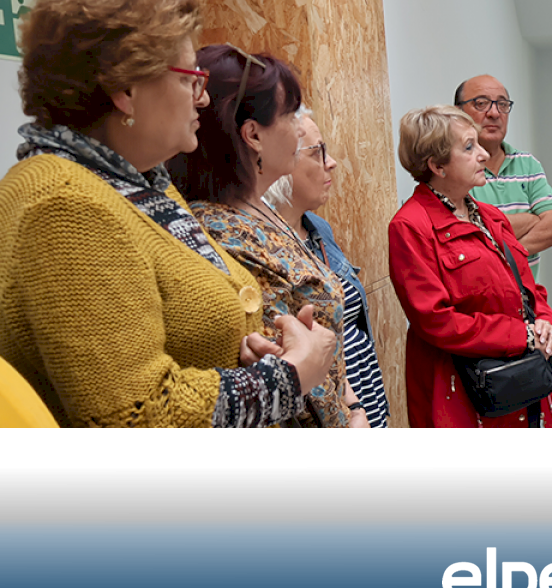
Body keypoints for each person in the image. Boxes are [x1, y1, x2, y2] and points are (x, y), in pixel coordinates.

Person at [0, 0, 335, 427]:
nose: (203, 97)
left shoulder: (140, 183)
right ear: (126, 89)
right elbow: (135, 414)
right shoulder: (65, 205)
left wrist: (249, 357)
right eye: (190, 78)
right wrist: (286, 378)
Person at [167, 44, 365, 428]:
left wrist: (355, 409)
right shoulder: (222, 233)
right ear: (253, 135)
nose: (299, 129)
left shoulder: (260, 209)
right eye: (290, 116)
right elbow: (290, 365)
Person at [389, 105, 552, 428]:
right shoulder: (410, 226)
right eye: (469, 147)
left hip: (519, 388)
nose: (483, 155)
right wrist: (522, 336)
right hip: (460, 398)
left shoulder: (490, 216)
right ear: (437, 165)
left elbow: (529, 288)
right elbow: (436, 320)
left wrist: (545, 324)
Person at [263, 106, 392, 428]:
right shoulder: (262, 247)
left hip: (365, 394)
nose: (331, 162)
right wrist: (352, 411)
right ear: (281, 164)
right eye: (317, 152)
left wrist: (363, 407)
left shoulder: (317, 227)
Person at [455, 75, 552, 282]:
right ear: (458, 113)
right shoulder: (454, 170)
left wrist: (506, 257)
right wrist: (531, 220)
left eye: (503, 104)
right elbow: (464, 238)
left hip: (528, 298)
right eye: (481, 103)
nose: (494, 113)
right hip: (479, 299)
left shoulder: (528, 164)